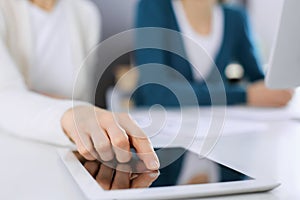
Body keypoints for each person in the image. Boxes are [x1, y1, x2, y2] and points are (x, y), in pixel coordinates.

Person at [0, 0, 159, 170]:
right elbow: (5, 95)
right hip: (14, 158)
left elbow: (82, 96)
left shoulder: (84, 13)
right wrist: (71, 113)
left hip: (66, 155)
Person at [133, 0, 293, 107]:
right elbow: (155, 92)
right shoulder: (154, 7)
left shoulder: (235, 18)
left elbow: (259, 81)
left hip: (215, 133)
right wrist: (244, 95)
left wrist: (277, 88)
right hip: (163, 141)